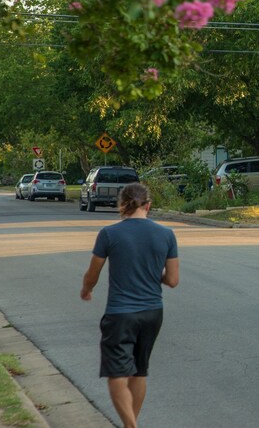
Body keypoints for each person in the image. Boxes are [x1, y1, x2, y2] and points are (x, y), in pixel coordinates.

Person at [81, 183, 179, 428]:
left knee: (117, 373)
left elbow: (93, 272)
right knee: (139, 370)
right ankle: (130, 424)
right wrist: (155, 274)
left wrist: (87, 289)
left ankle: (131, 426)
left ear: (122, 206)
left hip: (120, 313)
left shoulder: (109, 234)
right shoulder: (166, 234)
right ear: (148, 205)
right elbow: (173, 280)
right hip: (152, 313)